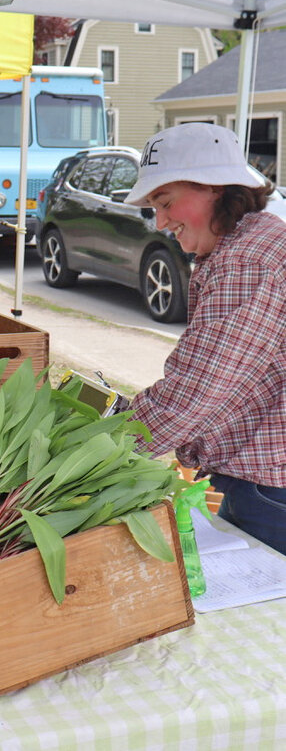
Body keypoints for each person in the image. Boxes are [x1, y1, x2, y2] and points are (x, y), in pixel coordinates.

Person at [127, 122, 286, 554]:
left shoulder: (247, 261)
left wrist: (104, 446)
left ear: (216, 188)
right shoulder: (252, 243)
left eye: (166, 201)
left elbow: (193, 395)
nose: (160, 221)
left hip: (269, 492)